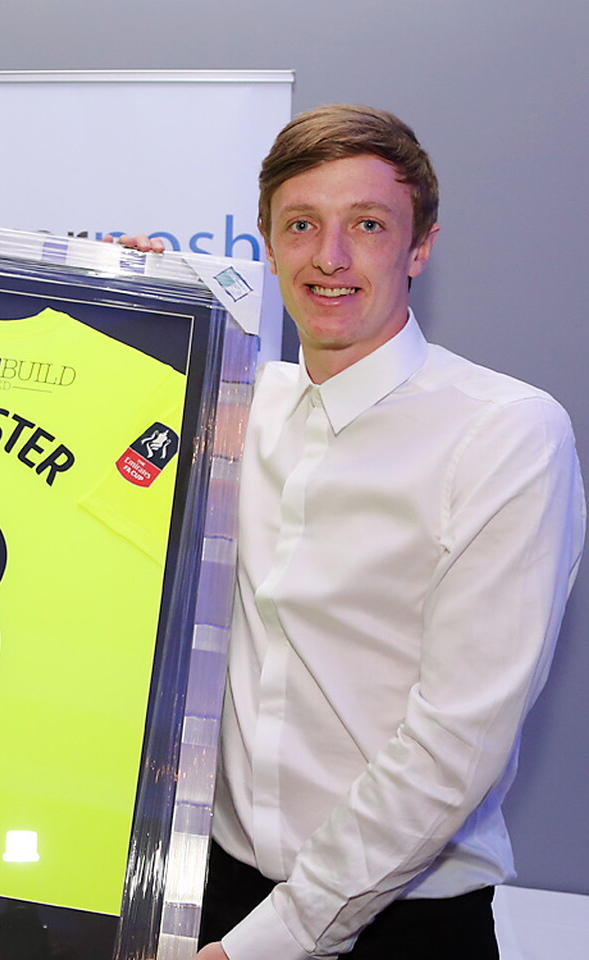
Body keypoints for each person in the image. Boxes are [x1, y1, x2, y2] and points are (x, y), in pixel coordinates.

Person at [115, 105, 585, 958]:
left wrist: (271, 942)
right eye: (301, 225)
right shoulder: (234, 406)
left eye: (367, 225)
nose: (329, 257)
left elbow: (455, 743)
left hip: (401, 929)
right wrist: (122, 311)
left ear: (420, 248)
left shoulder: (505, 433)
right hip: (211, 895)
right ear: (267, 245)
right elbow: (104, 517)